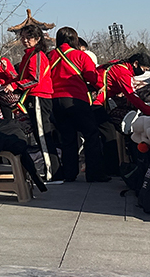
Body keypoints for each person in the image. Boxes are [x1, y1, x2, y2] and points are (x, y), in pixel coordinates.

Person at [46, 26, 107, 183]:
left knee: (67, 138)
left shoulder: (49, 56)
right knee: (91, 134)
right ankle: (94, 174)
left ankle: (69, 173)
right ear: (74, 39)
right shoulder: (80, 55)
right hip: (76, 99)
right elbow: (92, 77)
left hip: (55, 100)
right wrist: (99, 85)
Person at [12, 23, 58, 176]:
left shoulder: (37, 55)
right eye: (23, 37)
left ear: (38, 38)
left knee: (43, 135)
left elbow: (35, 79)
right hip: (33, 97)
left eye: (29, 37)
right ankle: (51, 169)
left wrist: (15, 85)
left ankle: (53, 171)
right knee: (39, 136)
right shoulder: (28, 55)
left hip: (39, 96)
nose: (25, 40)